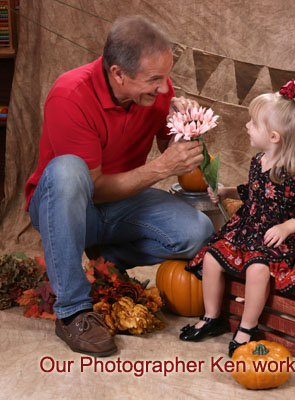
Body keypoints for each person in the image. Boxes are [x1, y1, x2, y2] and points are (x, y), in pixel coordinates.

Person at [25, 15, 214, 357]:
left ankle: (107, 258)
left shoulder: (157, 90)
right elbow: (93, 188)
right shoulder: (70, 94)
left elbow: (167, 145)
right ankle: (72, 311)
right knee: (68, 170)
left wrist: (184, 124)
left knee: (198, 231)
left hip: (125, 201)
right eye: (154, 79)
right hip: (67, 207)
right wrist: (161, 169)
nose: (162, 87)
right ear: (117, 74)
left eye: (166, 77)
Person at [179, 80, 295, 356]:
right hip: (248, 228)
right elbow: (254, 191)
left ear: (274, 137)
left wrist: (285, 227)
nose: (246, 126)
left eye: (253, 123)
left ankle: (247, 327)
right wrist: (227, 191)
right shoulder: (258, 161)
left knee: (257, 270)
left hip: (275, 239)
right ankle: (212, 317)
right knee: (211, 256)